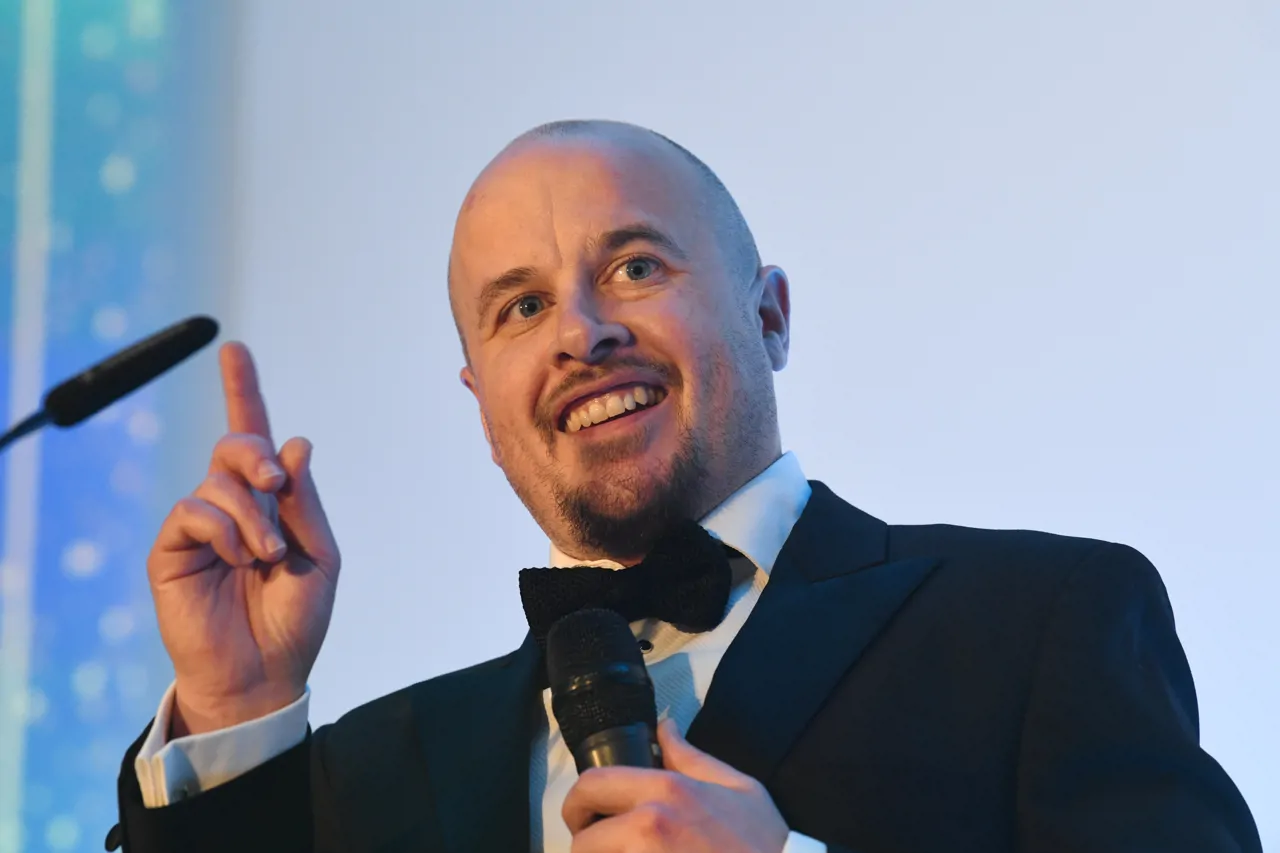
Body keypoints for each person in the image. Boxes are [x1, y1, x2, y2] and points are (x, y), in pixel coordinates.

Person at [108, 121, 1261, 853]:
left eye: (634, 266)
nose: (583, 332)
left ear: (769, 315)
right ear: (482, 403)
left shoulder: (1039, 621)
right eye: (519, 307)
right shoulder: (373, 770)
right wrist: (234, 707)